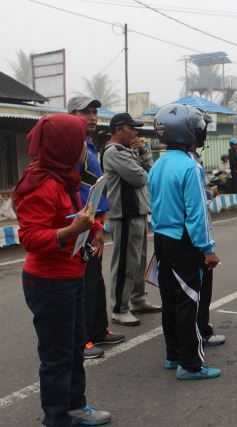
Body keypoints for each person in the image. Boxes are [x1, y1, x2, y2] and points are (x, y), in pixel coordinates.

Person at [14, 114, 111, 426]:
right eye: (79, 143)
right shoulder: (40, 184)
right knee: (57, 354)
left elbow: (74, 213)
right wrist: (72, 231)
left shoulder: (62, 176)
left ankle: (75, 406)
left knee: (74, 346)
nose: (84, 149)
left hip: (71, 274)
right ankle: (56, 418)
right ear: (63, 145)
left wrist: (94, 227)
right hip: (48, 282)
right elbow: (29, 237)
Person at [149, 103, 222, 380]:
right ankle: (190, 364)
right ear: (189, 132)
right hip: (183, 241)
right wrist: (208, 249)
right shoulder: (191, 167)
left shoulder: (158, 164)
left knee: (170, 299)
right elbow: (197, 213)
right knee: (189, 300)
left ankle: (173, 355)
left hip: (161, 238)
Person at [67, 95, 126, 360]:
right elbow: (77, 188)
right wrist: (92, 225)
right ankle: (83, 340)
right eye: (85, 112)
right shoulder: (71, 145)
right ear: (71, 114)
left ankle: (98, 330)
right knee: (83, 282)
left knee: (95, 279)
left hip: (95, 221)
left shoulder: (87, 143)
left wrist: (100, 222)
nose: (92, 117)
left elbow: (95, 185)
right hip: (81, 222)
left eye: (94, 112)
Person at [102, 113, 160, 326]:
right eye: (131, 128)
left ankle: (137, 299)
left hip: (137, 213)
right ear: (119, 129)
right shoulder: (114, 152)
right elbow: (141, 177)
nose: (135, 133)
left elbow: (150, 171)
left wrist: (144, 154)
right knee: (125, 263)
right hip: (125, 215)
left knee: (137, 261)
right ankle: (119, 308)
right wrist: (142, 159)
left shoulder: (127, 151)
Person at [187, 144, 226, 348]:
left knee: (180, 294)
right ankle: (199, 332)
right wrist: (207, 248)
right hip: (192, 237)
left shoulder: (164, 162)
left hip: (169, 235)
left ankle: (179, 343)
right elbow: (196, 207)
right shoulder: (190, 164)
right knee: (199, 289)